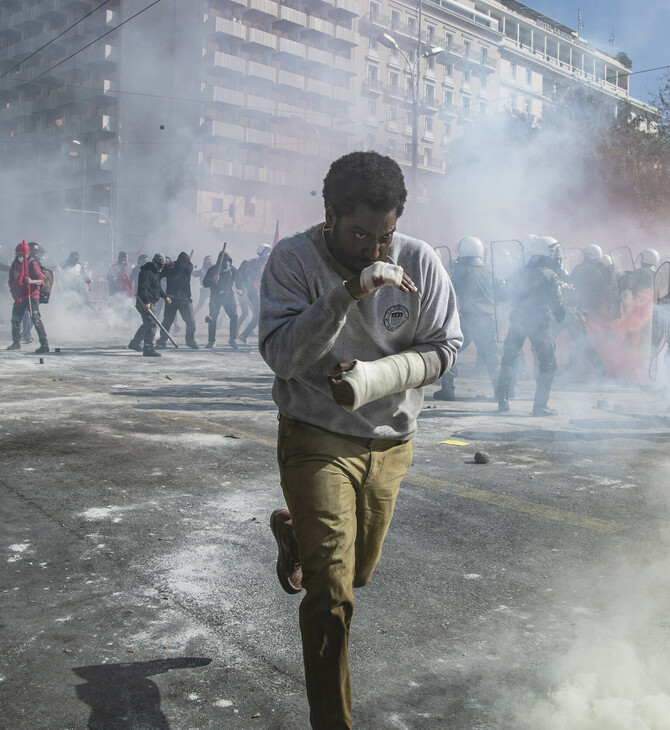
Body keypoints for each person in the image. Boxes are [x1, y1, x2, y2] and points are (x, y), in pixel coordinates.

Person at [259, 151, 462, 729]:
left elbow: (446, 347)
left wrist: (379, 376)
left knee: (359, 573)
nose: (375, 248)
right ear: (329, 214)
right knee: (331, 595)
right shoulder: (293, 259)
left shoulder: (420, 261)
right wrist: (346, 293)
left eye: (385, 235)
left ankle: (295, 528)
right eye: (359, 233)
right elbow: (281, 355)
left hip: (390, 441)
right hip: (316, 437)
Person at [496, 236, 565, 416]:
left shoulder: (519, 272)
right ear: (548, 253)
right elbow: (557, 303)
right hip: (538, 324)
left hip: (517, 320)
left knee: (509, 360)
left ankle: (502, 401)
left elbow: (504, 294)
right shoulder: (550, 275)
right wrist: (560, 314)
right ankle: (540, 406)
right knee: (548, 362)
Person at [434, 235, 498, 400]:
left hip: (469, 321)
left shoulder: (462, 271)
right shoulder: (488, 271)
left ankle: (448, 391)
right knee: (491, 358)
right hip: (488, 321)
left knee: (450, 350)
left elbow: (447, 288)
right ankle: (502, 393)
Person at [7, 241, 49, 353]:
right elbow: (11, 279)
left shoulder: (32, 263)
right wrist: (13, 292)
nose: (20, 257)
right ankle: (16, 343)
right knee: (15, 320)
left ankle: (44, 344)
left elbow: (41, 280)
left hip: (32, 294)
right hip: (20, 296)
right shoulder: (15, 264)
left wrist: (31, 281)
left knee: (36, 319)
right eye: (18, 255)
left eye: (22, 255)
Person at [128, 253, 171, 357]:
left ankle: (134, 343)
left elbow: (157, 288)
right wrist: (146, 302)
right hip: (144, 302)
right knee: (151, 324)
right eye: (159, 265)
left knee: (147, 323)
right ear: (154, 262)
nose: (160, 267)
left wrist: (165, 296)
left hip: (150, 301)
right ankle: (148, 347)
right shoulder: (146, 272)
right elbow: (143, 288)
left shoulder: (155, 272)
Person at [156, 251, 199, 349]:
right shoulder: (186, 265)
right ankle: (162, 340)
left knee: (190, 321)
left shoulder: (188, 267)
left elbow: (169, 268)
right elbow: (160, 275)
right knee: (167, 321)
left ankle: (190, 340)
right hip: (172, 298)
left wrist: (170, 265)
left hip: (184, 299)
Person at [203, 250, 238, 349]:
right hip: (216, 296)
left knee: (234, 316)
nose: (226, 264)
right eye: (224, 262)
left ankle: (232, 339)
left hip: (228, 296)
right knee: (212, 318)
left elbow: (239, 280)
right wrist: (213, 280)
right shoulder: (213, 270)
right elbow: (205, 283)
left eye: (228, 262)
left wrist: (240, 289)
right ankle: (211, 341)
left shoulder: (232, 270)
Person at [237, 243, 271, 343]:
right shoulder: (251, 263)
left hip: (260, 292)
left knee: (263, 314)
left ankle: (252, 334)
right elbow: (242, 277)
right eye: (266, 253)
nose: (267, 255)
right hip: (252, 291)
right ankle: (244, 334)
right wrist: (243, 289)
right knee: (259, 313)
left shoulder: (265, 265)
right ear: (261, 253)